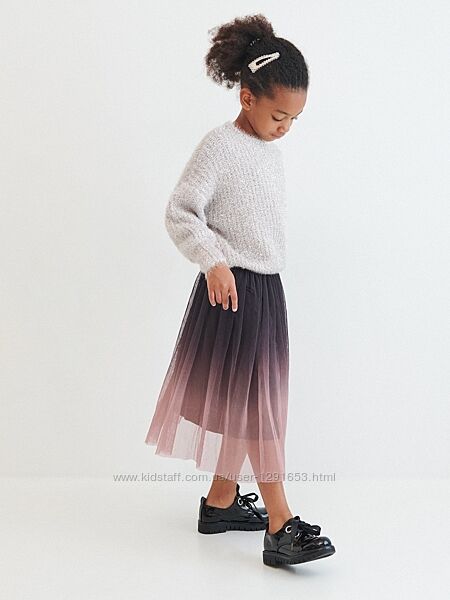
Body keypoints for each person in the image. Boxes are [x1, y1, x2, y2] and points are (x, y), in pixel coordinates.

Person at [144, 13, 336, 567]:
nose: (286, 127)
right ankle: (280, 522)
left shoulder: (268, 152)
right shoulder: (220, 146)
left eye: (294, 119)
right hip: (233, 292)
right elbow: (181, 211)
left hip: (266, 293)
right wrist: (213, 261)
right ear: (247, 98)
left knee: (251, 399)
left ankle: (221, 501)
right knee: (258, 407)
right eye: (278, 115)